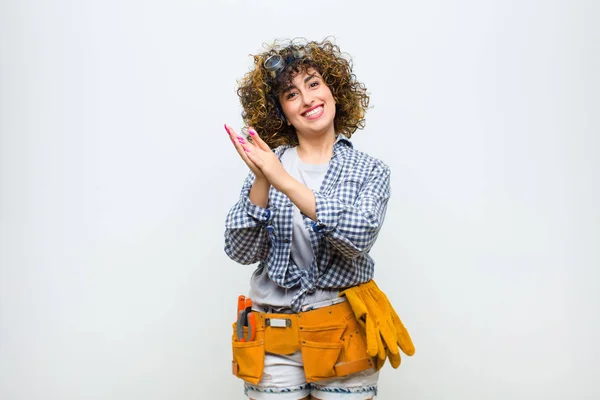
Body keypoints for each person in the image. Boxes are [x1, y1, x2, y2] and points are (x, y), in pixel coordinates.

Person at [224, 38, 414, 400]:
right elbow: (240, 250)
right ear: (281, 111)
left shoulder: (370, 171)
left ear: (334, 91)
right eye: (292, 94)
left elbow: (356, 238)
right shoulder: (266, 166)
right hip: (273, 333)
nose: (308, 99)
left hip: (343, 332)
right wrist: (264, 179)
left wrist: (283, 180)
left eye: (314, 84)